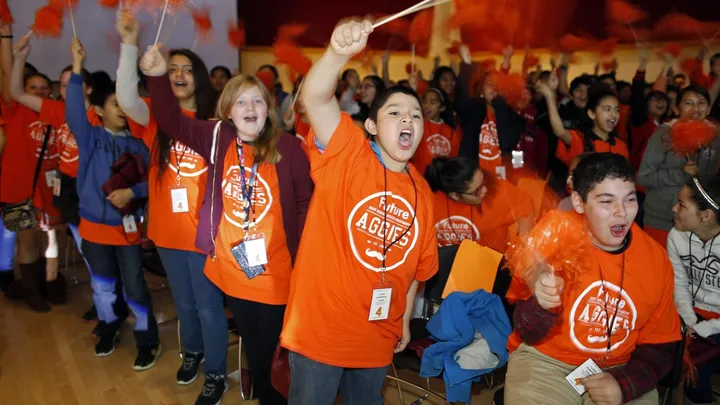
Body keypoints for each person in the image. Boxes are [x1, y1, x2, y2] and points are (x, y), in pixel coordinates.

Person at [140, 38, 313, 405]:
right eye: (241, 101)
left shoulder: (290, 147)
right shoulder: (218, 136)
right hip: (234, 271)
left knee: (271, 356)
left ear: (268, 108)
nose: (250, 108)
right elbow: (169, 119)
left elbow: (303, 205)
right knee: (254, 347)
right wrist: (158, 76)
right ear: (228, 111)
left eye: (257, 100)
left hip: (278, 275)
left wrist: (304, 262)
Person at [279, 18, 438, 404]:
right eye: (395, 113)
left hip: (377, 332)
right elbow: (315, 98)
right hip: (321, 331)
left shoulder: (422, 191)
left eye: (415, 115)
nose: (407, 120)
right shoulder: (347, 153)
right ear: (370, 125)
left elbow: (418, 267)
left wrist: (402, 318)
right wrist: (336, 53)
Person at [505, 152, 682, 405]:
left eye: (630, 199)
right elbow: (526, 330)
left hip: (621, 366)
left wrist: (623, 386)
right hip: (547, 361)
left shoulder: (656, 259)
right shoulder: (552, 239)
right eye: (607, 202)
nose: (621, 213)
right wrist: (541, 305)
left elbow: (662, 348)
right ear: (578, 202)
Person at [115, 15, 229, 404]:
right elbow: (127, 97)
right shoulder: (158, 119)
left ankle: (216, 372)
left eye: (186, 69)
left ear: (199, 77)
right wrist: (130, 43)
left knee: (210, 306)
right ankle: (193, 352)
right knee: (183, 303)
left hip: (204, 235)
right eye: (172, 69)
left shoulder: (217, 124)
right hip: (166, 231)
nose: (179, 75)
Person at [65, 39, 160, 370]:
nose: (122, 109)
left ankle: (148, 340)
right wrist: (77, 67)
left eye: (126, 104)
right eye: (115, 103)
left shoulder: (140, 143)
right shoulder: (91, 137)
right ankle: (109, 327)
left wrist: (134, 192)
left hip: (128, 231)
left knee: (135, 286)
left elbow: (156, 182)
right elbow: (73, 109)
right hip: (93, 228)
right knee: (103, 287)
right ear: (100, 110)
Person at [1, 26, 62, 312]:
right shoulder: (16, 109)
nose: (38, 91)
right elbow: (9, 83)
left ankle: (36, 283)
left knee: (45, 238)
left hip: (48, 188)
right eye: (32, 87)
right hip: (19, 187)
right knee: (26, 239)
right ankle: (32, 291)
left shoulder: (54, 112)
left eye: (43, 87)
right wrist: (16, 53)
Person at [638, 85, 720, 246]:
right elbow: (643, 177)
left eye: (701, 103)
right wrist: (680, 174)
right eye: (688, 103)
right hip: (662, 220)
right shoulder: (663, 135)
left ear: (709, 108)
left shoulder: (715, 137)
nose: (696, 108)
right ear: (677, 108)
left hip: (698, 224)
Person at [669, 175, 720, 405]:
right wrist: (689, 320)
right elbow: (678, 283)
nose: (673, 208)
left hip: (715, 324)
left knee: (697, 371)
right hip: (692, 316)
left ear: (706, 215)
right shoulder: (676, 236)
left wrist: (705, 328)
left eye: (681, 204)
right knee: (688, 373)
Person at [426, 156, 533, 253]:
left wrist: (523, 243)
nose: (485, 190)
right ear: (454, 196)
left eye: (483, 182)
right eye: (477, 191)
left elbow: (524, 204)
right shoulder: (430, 200)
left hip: (492, 265)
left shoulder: (496, 190)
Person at [537, 77, 629, 168]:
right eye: (607, 109)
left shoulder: (621, 146)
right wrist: (549, 96)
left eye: (617, 110)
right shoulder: (580, 139)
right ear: (592, 114)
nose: (613, 114)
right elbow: (559, 131)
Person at [410, 87, 460, 175]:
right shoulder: (417, 125)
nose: (427, 105)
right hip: (420, 180)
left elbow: (454, 160)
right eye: (425, 101)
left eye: (432, 102)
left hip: (442, 184)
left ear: (442, 107)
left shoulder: (451, 132)